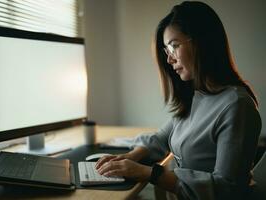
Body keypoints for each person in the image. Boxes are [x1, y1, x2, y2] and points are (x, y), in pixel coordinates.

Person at [95, 1, 262, 200]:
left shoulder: (236, 106)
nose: (169, 60)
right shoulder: (198, 95)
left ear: (202, 42)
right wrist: (129, 157)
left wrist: (146, 172)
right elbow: (161, 138)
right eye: (167, 50)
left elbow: (226, 189)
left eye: (174, 46)